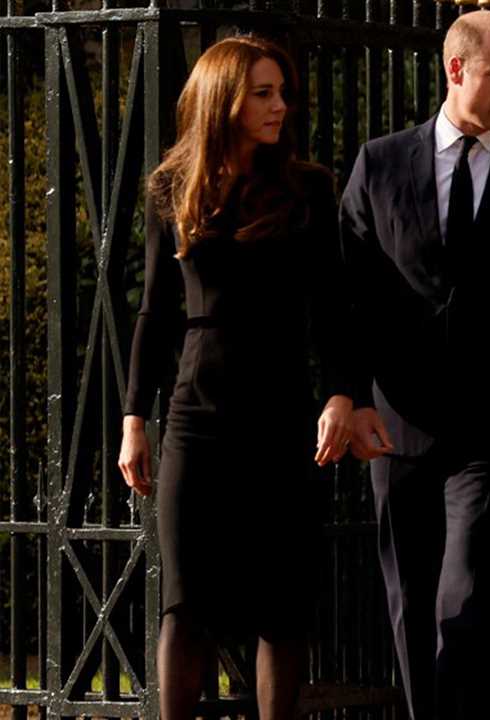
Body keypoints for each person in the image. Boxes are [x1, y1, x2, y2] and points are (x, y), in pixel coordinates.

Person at [338, 10, 490, 719]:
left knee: (467, 599)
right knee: (411, 602)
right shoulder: (380, 162)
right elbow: (348, 295)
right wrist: (348, 398)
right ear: (455, 70)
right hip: (398, 423)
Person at [116, 36, 356, 720]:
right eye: (263, 93)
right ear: (223, 99)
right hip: (198, 416)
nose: (281, 105)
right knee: (185, 603)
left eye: (282, 92)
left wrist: (343, 392)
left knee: (282, 606)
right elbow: (155, 311)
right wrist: (135, 418)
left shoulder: (309, 187)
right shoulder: (171, 185)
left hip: (283, 417)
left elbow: (334, 306)